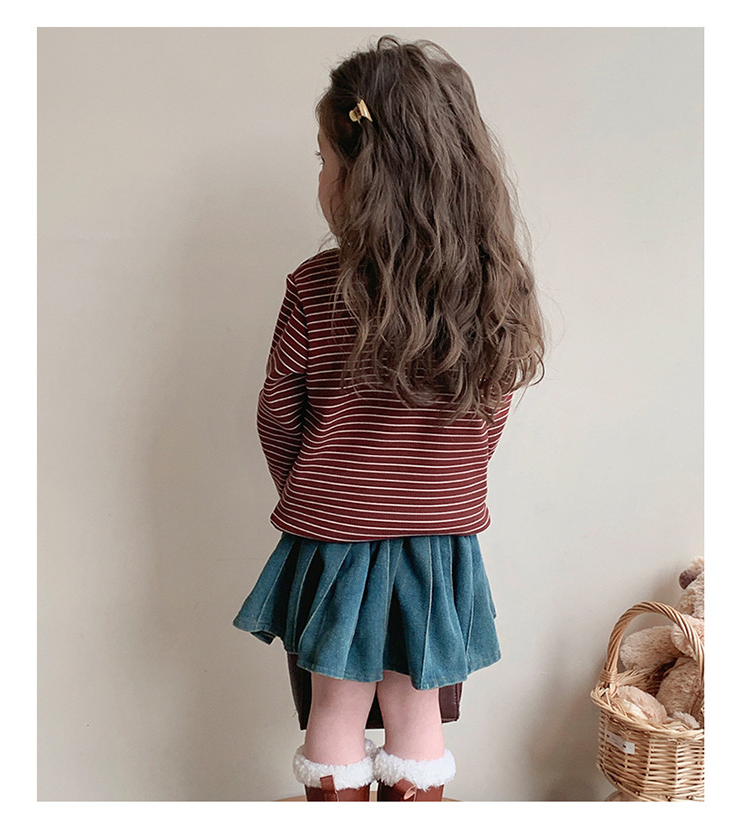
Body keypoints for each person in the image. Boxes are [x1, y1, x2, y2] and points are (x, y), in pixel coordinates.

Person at [233, 35, 545, 802]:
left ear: (361, 176)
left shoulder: (315, 288)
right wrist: (445, 484)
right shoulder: (490, 287)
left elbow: (278, 412)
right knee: (417, 708)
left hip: (333, 540)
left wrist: (317, 489)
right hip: (439, 544)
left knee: (334, 707)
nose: (319, 178)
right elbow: (492, 406)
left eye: (324, 160)